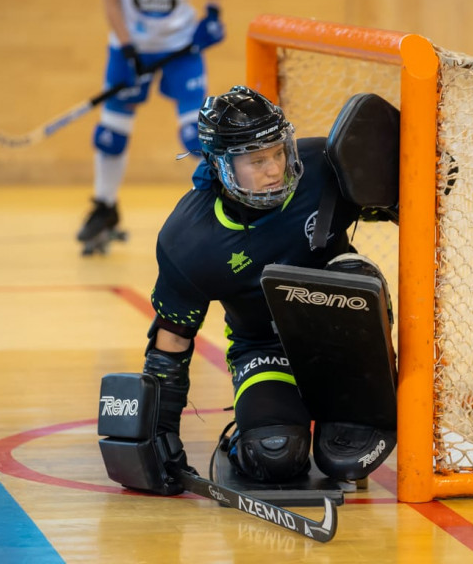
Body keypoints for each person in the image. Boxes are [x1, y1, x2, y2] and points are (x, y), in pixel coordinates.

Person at [138, 85, 398, 495]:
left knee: (353, 273)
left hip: (343, 344)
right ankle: (258, 429)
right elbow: (172, 338)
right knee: (275, 456)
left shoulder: (324, 165)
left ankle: (355, 393)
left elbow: (402, 199)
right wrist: (158, 435)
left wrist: (426, 173)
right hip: (263, 348)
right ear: (222, 166)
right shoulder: (188, 239)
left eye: (278, 152)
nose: (275, 169)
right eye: (257, 161)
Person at [78, 0, 224, 254]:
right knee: (111, 135)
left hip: (182, 48)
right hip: (129, 47)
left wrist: (213, 14)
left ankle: (216, 213)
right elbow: (110, 2)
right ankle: (104, 206)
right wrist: (129, 49)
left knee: (196, 137)